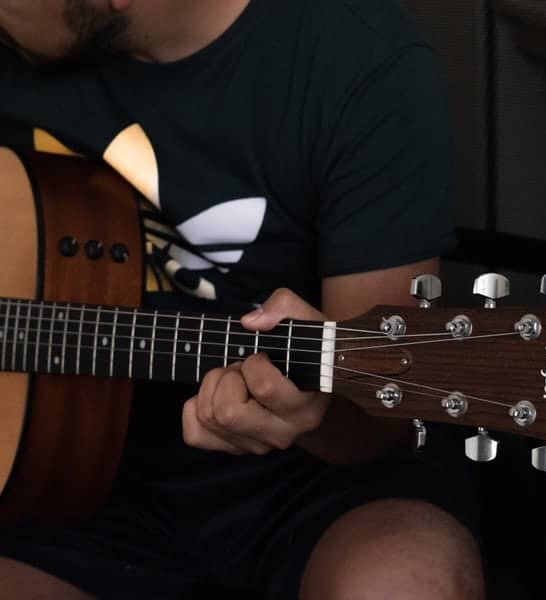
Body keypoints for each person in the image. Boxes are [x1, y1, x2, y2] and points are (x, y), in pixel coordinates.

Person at [0, 1, 486, 598]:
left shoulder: (358, 56)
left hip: (312, 487)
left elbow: (379, 417)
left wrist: (316, 410)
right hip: (54, 486)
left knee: (407, 586)